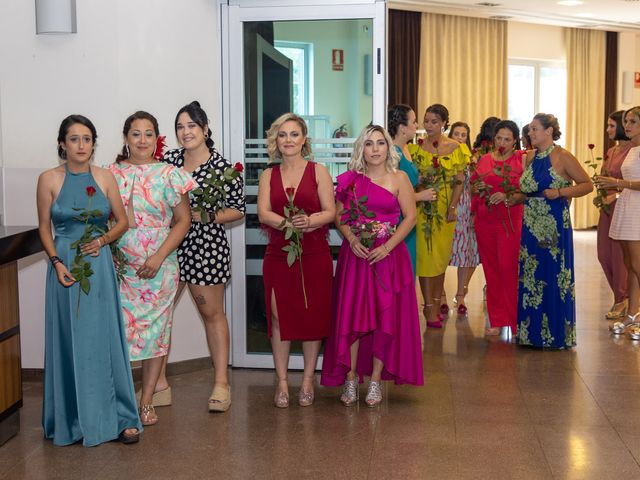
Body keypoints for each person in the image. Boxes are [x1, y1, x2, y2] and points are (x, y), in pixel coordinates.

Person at [37, 115, 141, 446]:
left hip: (98, 267)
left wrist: (103, 240)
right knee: (70, 340)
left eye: (87, 139)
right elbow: (44, 228)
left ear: (93, 144)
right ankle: (73, 420)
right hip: (65, 266)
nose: (81, 145)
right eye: (74, 139)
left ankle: (121, 416)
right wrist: (56, 262)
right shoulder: (48, 179)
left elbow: (123, 222)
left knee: (104, 339)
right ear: (62, 144)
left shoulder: (105, 177)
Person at [321, 125, 423, 406]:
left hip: (388, 258)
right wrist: (352, 239)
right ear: (361, 149)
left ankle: (375, 381)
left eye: (380, 143)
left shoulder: (400, 178)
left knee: (383, 318)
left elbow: (410, 218)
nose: (375, 149)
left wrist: (388, 247)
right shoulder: (350, 180)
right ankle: (351, 378)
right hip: (357, 257)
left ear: (388, 148)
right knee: (353, 317)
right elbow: (339, 217)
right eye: (369, 143)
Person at [109, 111, 194, 425]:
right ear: (126, 138)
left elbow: (183, 220)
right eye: (135, 133)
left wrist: (158, 257)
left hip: (160, 268)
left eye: (148, 133)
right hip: (119, 269)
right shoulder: (109, 174)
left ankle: (146, 401)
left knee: (156, 335)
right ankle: (121, 399)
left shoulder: (170, 174)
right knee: (119, 332)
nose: (141, 140)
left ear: (157, 138)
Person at [162, 101, 245, 412]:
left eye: (192, 126)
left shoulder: (224, 169)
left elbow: (239, 209)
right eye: (180, 127)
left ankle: (221, 383)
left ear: (205, 129)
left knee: (212, 315)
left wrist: (205, 216)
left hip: (205, 247)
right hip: (169, 246)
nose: (186, 132)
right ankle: (158, 384)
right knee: (159, 314)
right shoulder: (167, 162)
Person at [257, 113, 335, 408]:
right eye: (282, 135)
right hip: (279, 255)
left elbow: (331, 212)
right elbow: (263, 213)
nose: (288, 140)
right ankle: (281, 382)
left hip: (314, 255)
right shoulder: (268, 175)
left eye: (294, 134)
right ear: (276, 141)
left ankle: (306, 380)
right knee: (279, 318)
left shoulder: (319, 172)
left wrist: (309, 221)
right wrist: (288, 225)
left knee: (312, 319)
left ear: (304, 139)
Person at [512, 113, 592, 348]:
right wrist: (510, 199)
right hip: (530, 225)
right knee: (532, 276)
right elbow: (528, 191)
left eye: (535, 129)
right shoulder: (530, 157)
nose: (530, 133)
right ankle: (531, 333)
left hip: (554, 224)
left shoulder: (563, 156)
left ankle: (556, 334)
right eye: (530, 130)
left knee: (553, 275)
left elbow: (587, 185)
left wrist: (560, 193)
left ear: (549, 131)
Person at [409, 104, 470, 329]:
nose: (429, 126)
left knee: (440, 259)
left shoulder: (456, 148)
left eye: (434, 121)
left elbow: (459, 180)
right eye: (426, 121)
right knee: (425, 258)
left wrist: (453, 207)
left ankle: (437, 302)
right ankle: (428, 307)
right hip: (423, 209)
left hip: (445, 210)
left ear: (444, 123)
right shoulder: (415, 149)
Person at [471, 120, 525, 336]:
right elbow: (473, 186)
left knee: (508, 269)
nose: (502, 142)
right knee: (491, 270)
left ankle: (513, 320)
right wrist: (478, 187)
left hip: (510, 221)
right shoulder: (484, 159)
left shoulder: (521, 160)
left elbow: (527, 191)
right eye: (499, 138)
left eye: (507, 139)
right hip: (485, 221)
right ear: (493, 139)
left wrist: (507, 195)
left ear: (514, 142)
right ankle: (497, 318)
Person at [597, 106, 640, 333]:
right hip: (628, 206)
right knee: (631, 266)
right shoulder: (631, 149)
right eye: (626, 121)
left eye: (632, 121)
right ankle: (632, 314)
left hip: (637, 209)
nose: (628, 126)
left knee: (637, 264)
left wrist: (618, 184)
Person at [387, 104, 436, 275]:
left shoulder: (405, 149)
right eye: (414, 122)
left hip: (409, 215)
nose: (417, 126)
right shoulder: (393, 154)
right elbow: (389, 194)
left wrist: (421, 178)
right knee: (401, 268)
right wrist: (420, 196)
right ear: (402, 128)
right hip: (399, 219)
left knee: (409, 266)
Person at [447, 121, 479, 315]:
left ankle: (460, 295)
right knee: (443, 253)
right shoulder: (443, 155)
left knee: (466, 253)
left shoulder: (472, 158)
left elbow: (473, 185)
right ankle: (439, 296)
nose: (459, 138)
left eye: (463, 135)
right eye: (456, 134)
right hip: (446, 204)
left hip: (465, 208)